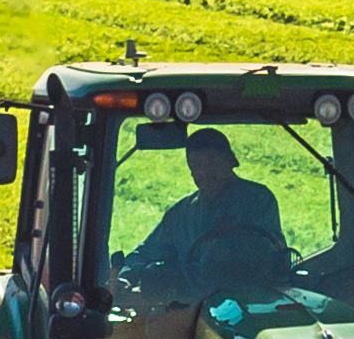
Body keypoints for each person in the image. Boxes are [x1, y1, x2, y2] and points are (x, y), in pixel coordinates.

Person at [119, 127, 290, 303]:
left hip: (252, 305)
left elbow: (271, 257)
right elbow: (147, 252)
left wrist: (229, 241)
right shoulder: (181, 214)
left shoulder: (257, 200)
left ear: (231, 160)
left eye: (213, 162)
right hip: (194, 312)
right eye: (197, 165)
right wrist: (126, 276)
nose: (205, 173)